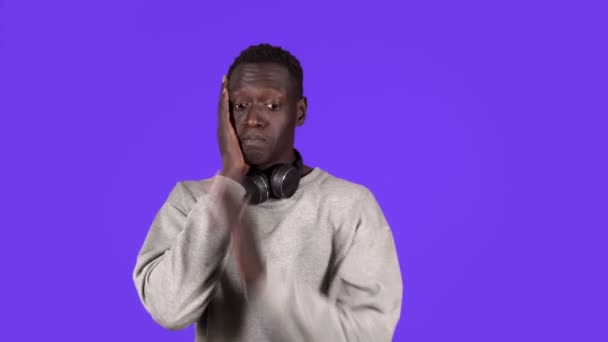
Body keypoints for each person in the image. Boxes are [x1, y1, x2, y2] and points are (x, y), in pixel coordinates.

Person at [132, 43, 403, 341]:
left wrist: (264, 285)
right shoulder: (192, 200)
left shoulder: (350, 205)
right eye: (240, 105)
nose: (252, 119)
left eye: (272, 105)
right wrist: (229, 183)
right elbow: (169, 310)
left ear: (300, 112)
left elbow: (368, 333)